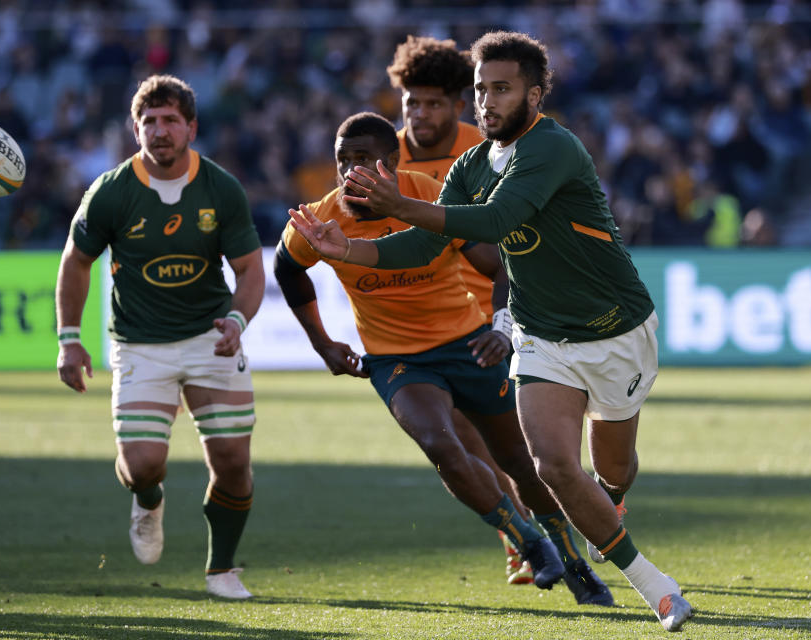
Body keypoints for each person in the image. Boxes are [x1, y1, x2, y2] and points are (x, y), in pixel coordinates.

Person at [288, 32, 693, 632]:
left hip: (615, 330)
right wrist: (347, 248)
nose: (488, 101)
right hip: (540, 334)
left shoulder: (552, 148)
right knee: (551, 465)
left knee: (614, 470)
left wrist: (395, 204)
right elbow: (430, 243)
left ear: (535, 93)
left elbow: (496, 220)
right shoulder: (473, 164)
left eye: (501, 89)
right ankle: (654, 587)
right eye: (481, 90)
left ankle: (609, 501)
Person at [276, 112, 614, 604]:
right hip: (398, 360)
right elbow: (288, 270)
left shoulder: (433, 196)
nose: (351, 170)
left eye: (364, 159)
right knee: (441, 443)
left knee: (521, 462)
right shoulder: (321, 219)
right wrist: (322, 342)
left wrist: (502, 327)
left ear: (392, 162)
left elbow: (500, 266)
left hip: (468, 343)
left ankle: (576, 563)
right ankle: (527, 541)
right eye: (343, 160)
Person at [56, 74, 264, 600]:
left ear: (191, 127)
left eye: (171, 119)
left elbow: (249, 269)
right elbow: (76, 262)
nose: (160, 129)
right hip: (140, 343)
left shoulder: (221, 188)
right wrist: (68, 337)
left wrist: (237, 322)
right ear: (135, 129)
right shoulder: (111, 190)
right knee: (143, 465)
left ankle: (222, 570)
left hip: (210, 337)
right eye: (149, 120)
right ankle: (148, 501)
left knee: (234, 463)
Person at [387, 33, 533, 586]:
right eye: (413, 103)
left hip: (506, 303)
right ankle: (521, 538)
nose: (421, 115)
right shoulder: (386, 154)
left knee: (531, 442)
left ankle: (582, 512)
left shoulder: (487, 147)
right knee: (471, 435)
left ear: (457, 103)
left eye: (434, 103)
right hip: (443, 317)